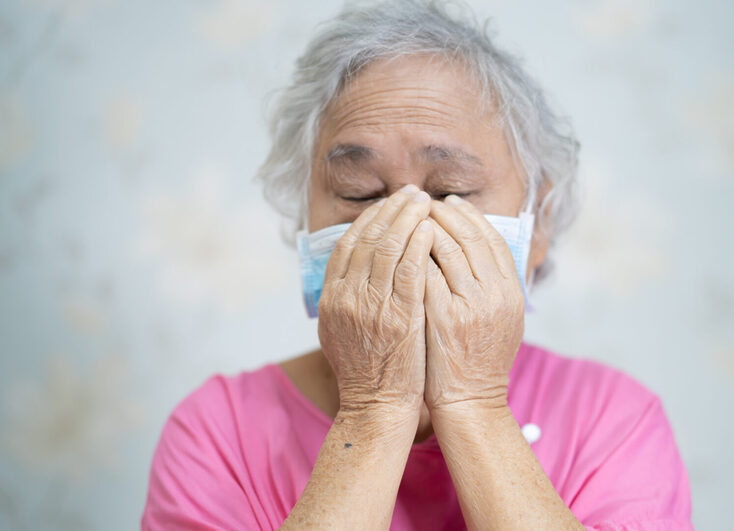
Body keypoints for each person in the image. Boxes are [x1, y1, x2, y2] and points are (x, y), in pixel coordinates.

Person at [141, 1, 693, 529]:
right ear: (305, 215)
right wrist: (375, 408)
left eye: (450, 190)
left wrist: (473, 405)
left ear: (538, 223)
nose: (403, 228)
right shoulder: (216, 431)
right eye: (359, 193)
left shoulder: (614, 419)